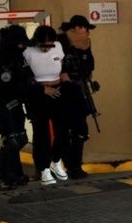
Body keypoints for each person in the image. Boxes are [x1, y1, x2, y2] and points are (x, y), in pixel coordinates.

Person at [0, 24, 37, 190]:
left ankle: (15, 174)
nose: (22, 47)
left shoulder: (17, 55)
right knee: (11, 139)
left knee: (21, 138)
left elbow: (26, 75)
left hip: (15, 100)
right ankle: (3, 177)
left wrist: (29, 90)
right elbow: (0, 84)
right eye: (19, 44)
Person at [23, 25, 69, 185]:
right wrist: (42, 89)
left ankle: (56, 159)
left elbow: (62, 68)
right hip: (38, 93)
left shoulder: (58, 47)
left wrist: (66, 85)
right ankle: (43, 168)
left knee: (62, 129)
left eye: (49, 45)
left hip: (57, 90)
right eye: (43, 45)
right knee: (42, 132)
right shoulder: (28, 52)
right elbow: (25, 77)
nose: (46, 49)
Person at [58, 15, 99, 179]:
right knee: (65, 131)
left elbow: (89, 65)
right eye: (85, 28)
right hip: (63, 92)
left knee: (80, 130)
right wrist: (64, 75)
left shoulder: (85, 44)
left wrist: (87, 78)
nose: (88, 32)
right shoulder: (60, 42)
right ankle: (70, 166)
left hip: (79, 89)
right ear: (76, 28)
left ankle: (75, 165)